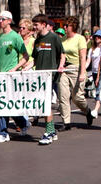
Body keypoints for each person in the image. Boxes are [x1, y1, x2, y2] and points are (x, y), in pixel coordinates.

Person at [0, 10, 30, 143]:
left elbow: (25, 56)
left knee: (8, 104)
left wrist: (15, 68)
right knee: (2, 103)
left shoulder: (15, 37)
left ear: (9, 20)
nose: (0, 21)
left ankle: (11, 128)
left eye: (3, 19)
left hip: (11, 76)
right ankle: (5, 131)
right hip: (0, 75)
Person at [26, 14, 65, 145]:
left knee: (46, 104)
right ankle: (52, 131)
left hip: (50, 76)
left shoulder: (54, 37)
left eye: (36, 25)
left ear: (43, 24)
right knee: (44, 104)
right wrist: (25, 68)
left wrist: (60, 66)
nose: (34, 27)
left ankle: (48, 132)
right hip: (39, 76)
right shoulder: (37, 40)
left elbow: (62, 54)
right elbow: (35, 60)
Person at [57, 16, 93, 131]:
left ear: (73, 27)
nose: (65, 28)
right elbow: (62, 55)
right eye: (64, 26)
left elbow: (83, 57)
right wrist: (61, 66)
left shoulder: (80, 38)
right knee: (63, 96)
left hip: (76, 69)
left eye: (67, 26)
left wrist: (82, 73)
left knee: (77, 97)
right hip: (65, 70)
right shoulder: (62, 40)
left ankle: (87, 111)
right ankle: (66, 122)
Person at [86, 30, 101, 119]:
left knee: (99, 91)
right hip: (94, 72)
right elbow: (88, 61)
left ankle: (96, 110)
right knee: (100, 91)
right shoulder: (91, 49)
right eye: (95, 37)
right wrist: (83, 69)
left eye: (99, 36)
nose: (97, 38)